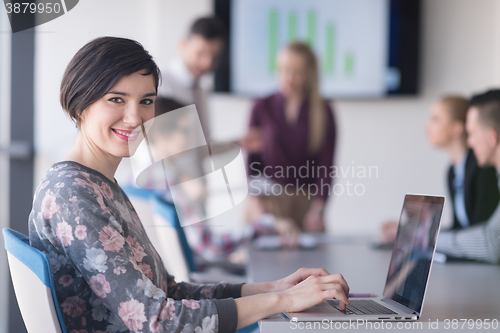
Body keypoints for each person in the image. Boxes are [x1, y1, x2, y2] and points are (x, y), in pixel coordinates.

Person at [28, 37, 350, 333]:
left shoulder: (99, 185)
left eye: (146, 101)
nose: (135, 117)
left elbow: (171, 292)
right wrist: (283, 303)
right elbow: (159, 321)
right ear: (80, 104)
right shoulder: (73, 195)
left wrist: (274, 289)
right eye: (116, 99)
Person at [240, 42, 337, 234]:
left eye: (297, 72)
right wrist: (257, 206)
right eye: (283, 70)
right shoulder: (262, 106)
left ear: (310, 72)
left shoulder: (323, 111)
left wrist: (318, 210)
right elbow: (252, 162)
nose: (289, 78)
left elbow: (326, 167)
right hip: (267, 202)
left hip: (306, 204)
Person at [379, 96, 499, 244]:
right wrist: (412, 232)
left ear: (457, 128)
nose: (427, 126)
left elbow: (482, 233)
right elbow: (460, 229)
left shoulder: (483, 168)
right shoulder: (452, 172)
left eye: (435, 119)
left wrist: (421, 237)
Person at [436, 89, 500, 264]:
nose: (469, 142)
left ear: (492, 137)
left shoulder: (484, 171)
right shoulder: (452, 172)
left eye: (471, 133)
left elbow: (493, 242)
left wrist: (429, 240)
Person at [159, 16, 226, 141]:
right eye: (200, 53)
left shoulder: (202, 89)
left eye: (215, 56)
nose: (207, 63)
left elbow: (202, 147)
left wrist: (237, 143)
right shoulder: (160, 84)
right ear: (183, 45)